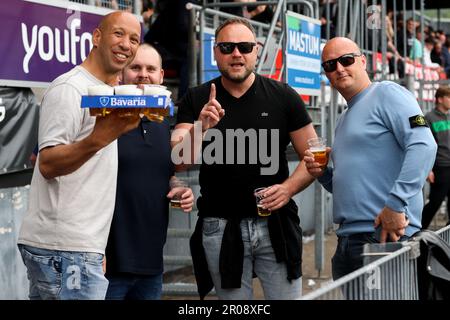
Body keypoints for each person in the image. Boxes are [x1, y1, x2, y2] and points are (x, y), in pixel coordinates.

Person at [173, 18, 318, 300]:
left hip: (275, 222)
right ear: (215, 52)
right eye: (227, 47)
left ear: (256, 50)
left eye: (244, 46)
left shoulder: (283, 96)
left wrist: (287, 189)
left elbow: (314, 156)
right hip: (220, 226)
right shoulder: (197, 98)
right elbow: (178, 161)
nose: (236, 54)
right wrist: (201, 128)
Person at [17, 11, 142, 300]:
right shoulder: (69, 88)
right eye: (118, 34)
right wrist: (97, 140)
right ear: (96, 37)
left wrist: (93, 249)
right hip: (64, 250)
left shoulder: (104, 90)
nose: (126, 44)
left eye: (134, 39)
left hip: (77, 249)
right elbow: (47, 163)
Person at [304, 37, 437, 280]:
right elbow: (352, 188)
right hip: (348, 241)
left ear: (363, 61)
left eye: (346, 60)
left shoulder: (387, 93)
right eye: (330, 65)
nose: (339, 68)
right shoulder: (344, 118)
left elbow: (424, 144)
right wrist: (323, 175)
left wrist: (395, 204)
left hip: (383, 237)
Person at [104, 44, 194, 300]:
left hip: (151, 266)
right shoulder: (102, 115)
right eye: (135, 67)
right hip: (105, 267)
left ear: (161, 76)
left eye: (150, 68)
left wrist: (176, 187)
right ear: (121, 73)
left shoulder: (163, 119)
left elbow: (163, 172)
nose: (143, 74)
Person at [421, 86, 450, 229]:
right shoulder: (429, 118)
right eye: (448, 97)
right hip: (441, 167)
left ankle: (445, 244)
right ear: (439, 99)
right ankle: (418, 234)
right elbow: (427, 146)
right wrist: (428, 170)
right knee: (434, 203)